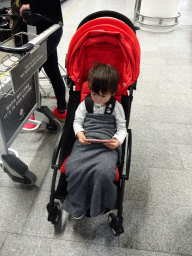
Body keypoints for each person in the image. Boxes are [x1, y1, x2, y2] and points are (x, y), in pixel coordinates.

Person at [62, 63, 127, 219]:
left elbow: (122, 128)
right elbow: (77, 122)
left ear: (113, 93)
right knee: (73, 167)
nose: (98, 99)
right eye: (93, 94)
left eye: (103, 96)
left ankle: (101, 203)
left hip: (107, 145)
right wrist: (80, 134)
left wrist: (117, 141)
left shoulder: (116, 107)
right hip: (86, 143)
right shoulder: (85, 104)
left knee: (103, 172)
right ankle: (78, 203)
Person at [19, 0, 67, 129]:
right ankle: (62, 109)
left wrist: (29, 7)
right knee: (52, 69)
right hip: (45, 30)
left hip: (47, 31)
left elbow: (50, 3)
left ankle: (31, 114)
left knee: (31, 73)